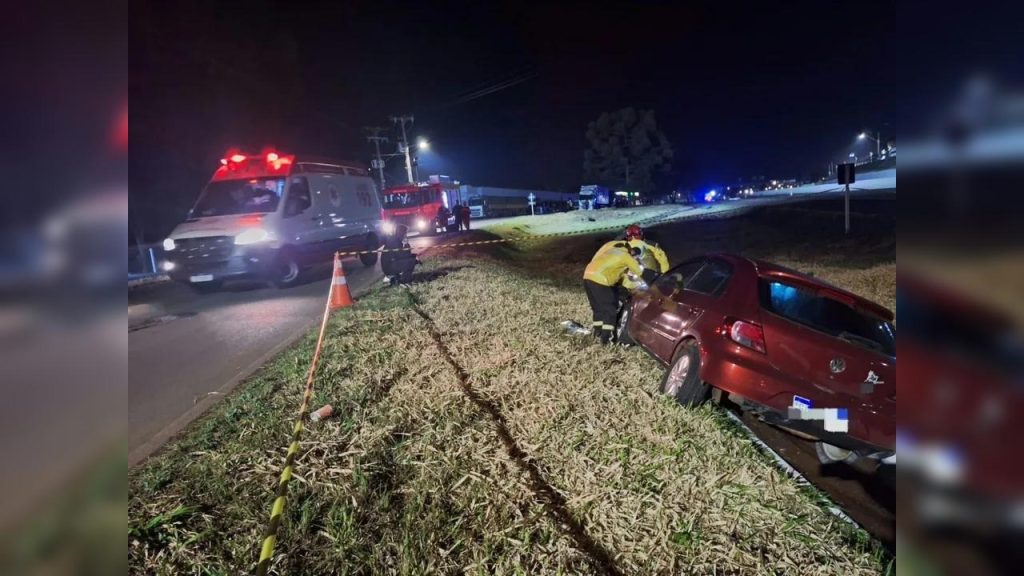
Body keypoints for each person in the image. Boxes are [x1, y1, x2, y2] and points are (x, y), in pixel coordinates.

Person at [583, 231, 658, 344]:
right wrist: (652, 281)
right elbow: (639, 271)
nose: (634, 255)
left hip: (588, 276)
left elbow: (622, 277)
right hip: (600, 280)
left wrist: (632, 286)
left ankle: (597, 333)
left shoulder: (613, 251)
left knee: (598, 309)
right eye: (634, 252)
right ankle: (605, 340)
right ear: (630, 249)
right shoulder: (626, 257)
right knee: (610, 310)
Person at [620, 224, 669, 292]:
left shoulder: (651, 245)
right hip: (634, 278)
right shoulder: (623, 248)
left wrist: (664, 274)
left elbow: (662, 259)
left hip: (650, 274)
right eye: (631, 236)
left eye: (636, 236)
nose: (633, 238)